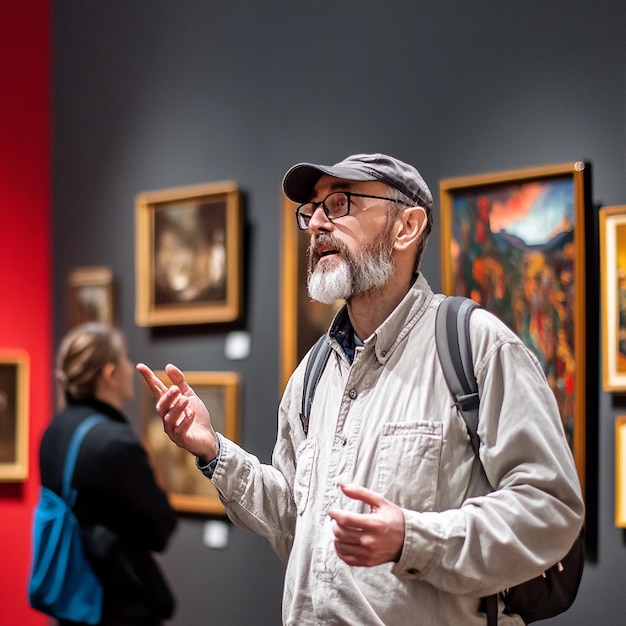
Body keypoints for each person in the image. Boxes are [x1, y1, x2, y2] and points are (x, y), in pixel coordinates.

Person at [137, 153, 584, 625]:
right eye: (312, 210)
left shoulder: (476, 348)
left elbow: (550, 509)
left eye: (340, 203)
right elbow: (296, 524)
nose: (317, 224)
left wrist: (413, 539)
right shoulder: (312, 372)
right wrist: (214, 452)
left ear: (406, 227)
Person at [39, 322, 177, 626]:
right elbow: (160, 528)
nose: (130, 368)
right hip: (116, 603)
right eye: (125, 359)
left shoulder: (54, 432)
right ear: (110, 374)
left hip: (74, 598)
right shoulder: (114, 442)